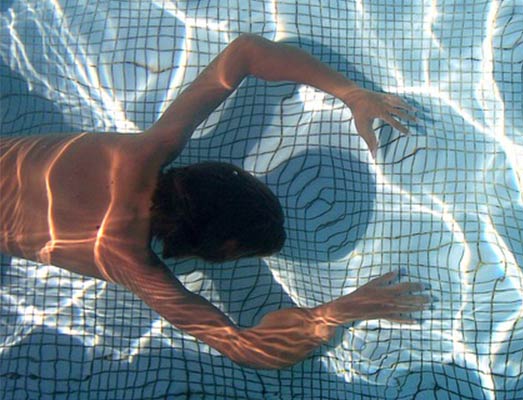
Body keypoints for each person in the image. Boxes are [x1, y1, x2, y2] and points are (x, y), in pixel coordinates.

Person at [0, 34, 428, 369]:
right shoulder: (128, 260)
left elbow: (245, 52)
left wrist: (351, 92)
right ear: (217, 252)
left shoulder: (149, 149)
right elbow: (252, 350)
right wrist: (336, 312)